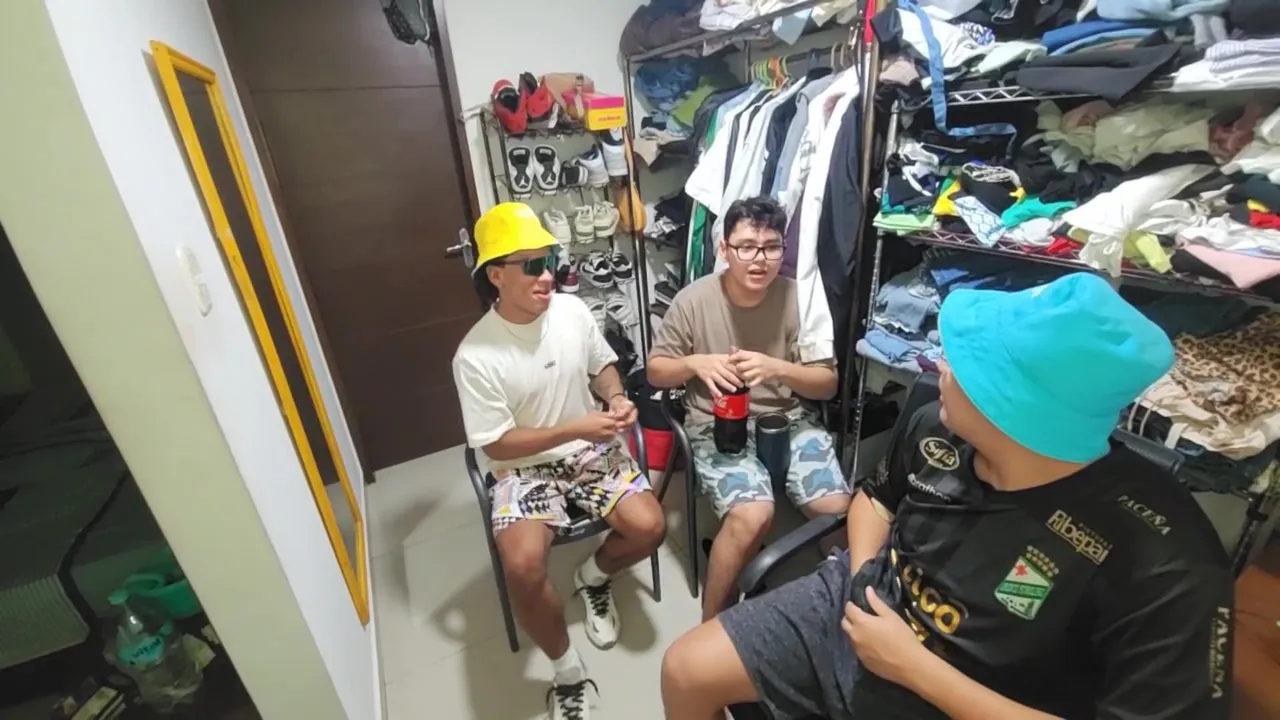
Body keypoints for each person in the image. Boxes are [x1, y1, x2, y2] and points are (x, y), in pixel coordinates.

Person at [660, 272, 1235, 720]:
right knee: (685, 670)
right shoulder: (937, 425)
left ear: (1013, 408)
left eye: (962, 364)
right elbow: (877, 499)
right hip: (871, 605)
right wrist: (863, 580)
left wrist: (915, 668)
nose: (938, 365)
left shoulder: (1167, 566)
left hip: (976, 693)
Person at [451, 203, 666, 720]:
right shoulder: (475, 356)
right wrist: (574, 428)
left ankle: (593, 576)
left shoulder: (571, 311)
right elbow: (496, 446)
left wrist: (615, 397)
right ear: (495, 275)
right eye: (531, 265)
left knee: (651, 527)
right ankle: (568, 672)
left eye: (549, 260)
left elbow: (602, 365)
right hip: (522, 466)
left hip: (588, 448)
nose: (547, 274)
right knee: (523, 565)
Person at [647, 196, 851, 620]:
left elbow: (828, 384)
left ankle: (844, 607)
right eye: (746, 247)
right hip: (715, 421)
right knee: (752, 515)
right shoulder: (692, 300)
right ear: (724, 249)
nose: (759, 259)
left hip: (787, 419)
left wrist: (778, 368)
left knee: (836, 512)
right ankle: (712, 629)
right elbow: (655, 372)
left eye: (771, 247)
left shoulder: (800, 298)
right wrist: (694, 363)